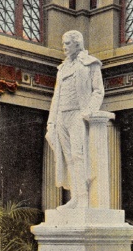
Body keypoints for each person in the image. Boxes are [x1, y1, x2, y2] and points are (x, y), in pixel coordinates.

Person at [45, 29, 104, 210]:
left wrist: (88, 111)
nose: (64, 47)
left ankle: (84, 198)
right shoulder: (61, 69)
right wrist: (51, 121)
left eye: (67, 43)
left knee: (79, 156)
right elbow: (56, 96)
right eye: (63, 44)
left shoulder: (90, 64)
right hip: (61, 116)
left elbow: (98, 91)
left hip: (78, 114)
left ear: (77, 43)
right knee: (67, 158)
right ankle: (75, 198)